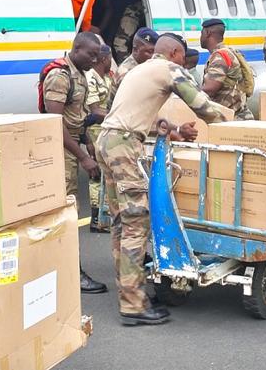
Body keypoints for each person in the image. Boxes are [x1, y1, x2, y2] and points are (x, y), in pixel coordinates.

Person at [96, 33, 228, 326]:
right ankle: (133, 304)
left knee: (120, 223)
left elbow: (139, 112)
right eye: (183, 57)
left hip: (106, 140)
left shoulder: (140, 69)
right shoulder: (169, 70)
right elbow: (203, 106)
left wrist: (174, 129)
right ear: (175, 53)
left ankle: (131, 292)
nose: (184, 62)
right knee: (136, 221)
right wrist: (238, 127)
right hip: (123, 145)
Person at [41, 31, 108, 295]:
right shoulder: (60, 77)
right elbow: (54, 123)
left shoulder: (78, 74)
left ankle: (64, 269)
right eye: (91, 55)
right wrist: (83, 158)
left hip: (72, 145)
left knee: (67, 212)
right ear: (76, 49)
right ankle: (71, 273)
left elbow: (76, 115)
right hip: (60, 150)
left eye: (97, 56)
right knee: (66, 215)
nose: (95, 60)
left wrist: (87, 141)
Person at [84, 45, 114, 233]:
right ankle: (96, 219)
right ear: (104, 59)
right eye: (110, 59)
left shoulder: (107, 77)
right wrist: (117, 116)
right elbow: (94, 110)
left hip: (106, 129)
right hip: (95, 131)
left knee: (106, 174)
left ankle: (105, 215)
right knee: (96, 175)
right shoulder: (91, 78)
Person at [200, 19, 254, 120]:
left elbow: (210, 89)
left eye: (201, 33)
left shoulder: (220, 56)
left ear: (208, 33)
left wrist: (186, 93)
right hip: (236, 116)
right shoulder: (227, 52)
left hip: (234, 119)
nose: (200, 37)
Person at [108, 27, 158, 105]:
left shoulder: (143, 65)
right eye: (150, 51)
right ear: (136, 50)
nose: (154, 55)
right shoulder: (126, 74)